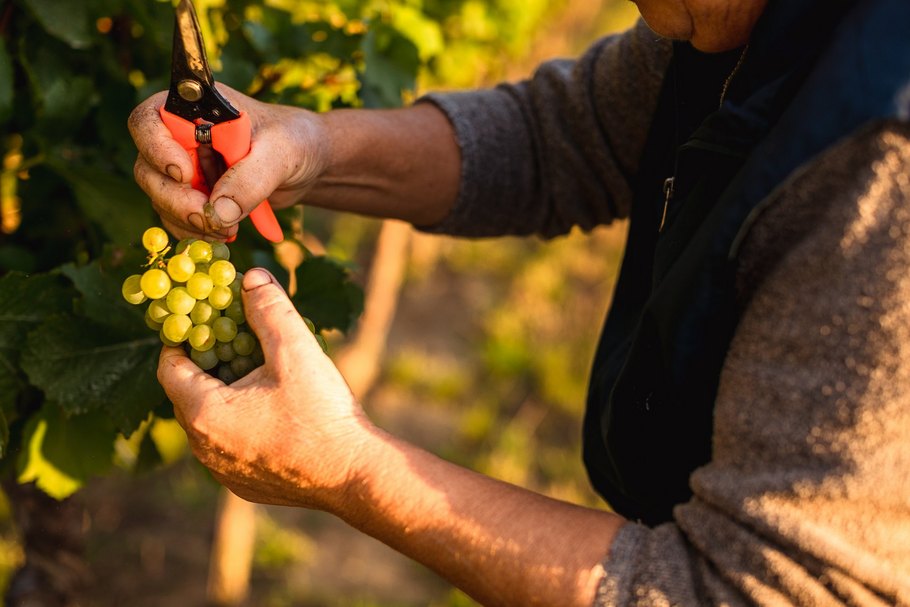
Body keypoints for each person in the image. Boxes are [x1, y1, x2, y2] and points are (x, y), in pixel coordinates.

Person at [128, 0, 910, 604]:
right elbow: (564, 136)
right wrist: (311, 147)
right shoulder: (737, 19)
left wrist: (347, 467)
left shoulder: (886, 176)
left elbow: (748, 591)